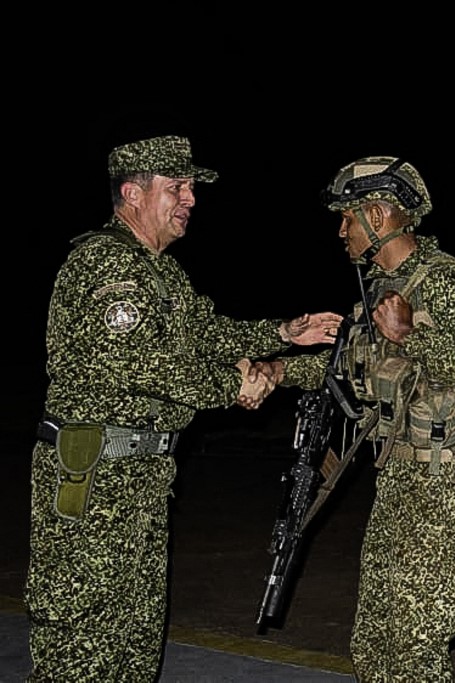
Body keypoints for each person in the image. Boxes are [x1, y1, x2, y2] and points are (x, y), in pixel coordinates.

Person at [25, 134, 341, 682]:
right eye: (177, 187)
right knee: (83, 647)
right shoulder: (103, 263)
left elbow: (205, 332)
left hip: (142, 477)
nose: (191, 199)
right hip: (95, 479)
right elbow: (140, 361)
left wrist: (284, 332)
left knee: (136, 644)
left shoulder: (160, 271)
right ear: (133, 193)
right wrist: (233, 386)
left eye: (192, 188)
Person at [268, 156, 455, 682]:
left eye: (347, 217)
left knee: (413, 647)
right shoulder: (380, 291)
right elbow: (348, 367)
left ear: (379, 217)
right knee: (374, 643)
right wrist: (275, 371)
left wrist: (412, 336)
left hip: (447, 485)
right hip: (399, 480)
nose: (340, 230)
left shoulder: (446, 283)